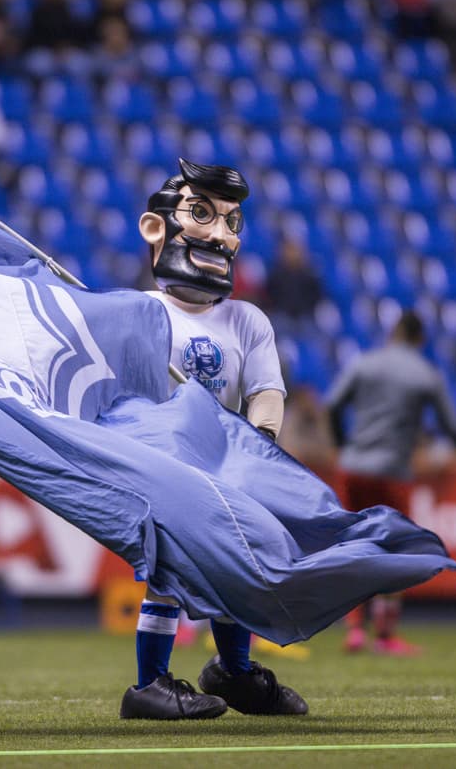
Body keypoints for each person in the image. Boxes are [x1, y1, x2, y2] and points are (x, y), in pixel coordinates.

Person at [120, 158, 308, 721]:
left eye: (231, 221)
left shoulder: (247, 321)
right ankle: (148, 684)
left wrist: (259, 443)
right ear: (159, 227)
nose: (219, 233)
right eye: (201, 214)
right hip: (165, 464)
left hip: (230, 462)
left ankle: (235, 673)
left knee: (237, 570)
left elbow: (267, 390)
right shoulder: (139, 313)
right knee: (169, 575)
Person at [325, 312, 456, 655]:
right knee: (395, 552)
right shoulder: (425, 374)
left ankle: (354, 630)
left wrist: (343, 445)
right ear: (420, 340)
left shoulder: (364, 363)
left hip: (353, 467)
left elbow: (333, 405)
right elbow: (453, 427)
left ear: (393, 333)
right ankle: (385, 635)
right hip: (392, 471)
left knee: (353, 546)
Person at [265, 237, 323, 334]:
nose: (292, 254)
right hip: (282, 314)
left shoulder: (308, 274)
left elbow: (316, 295)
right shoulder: (277, 274)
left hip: (304, 315)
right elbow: (270, 294)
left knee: (310, 331)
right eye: (289, 251)